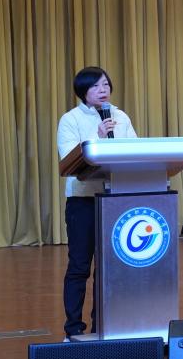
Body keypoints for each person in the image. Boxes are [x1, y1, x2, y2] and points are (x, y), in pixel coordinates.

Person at [56, 66, 137, 338]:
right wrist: (98, 139)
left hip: (115, 201)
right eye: (96, 86)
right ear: (83, 91)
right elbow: (69, 160)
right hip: (83, 202)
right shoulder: (70, 119)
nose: (103, 90)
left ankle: (102, 326)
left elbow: (135, 151)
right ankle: (73, 328)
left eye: (105, 85)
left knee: (108, 269)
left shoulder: (120, 117)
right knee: (80, 266)